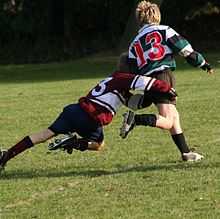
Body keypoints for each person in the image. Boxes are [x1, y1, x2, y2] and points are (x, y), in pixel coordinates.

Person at [0, 53, 177, 172]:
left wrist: (151, 97)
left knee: (44, 134)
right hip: (90, 117)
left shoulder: (113, 81)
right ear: (131, 69)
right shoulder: (123, 79)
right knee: (99, 144)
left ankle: (7, 154)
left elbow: (134, 103)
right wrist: (167, 89)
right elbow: (145, 82)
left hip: (73, 110)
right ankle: (75, 142)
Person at [120, 0, 213, 161]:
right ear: (157, 15)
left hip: (146, 80)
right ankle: (134, 119)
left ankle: (185, 153)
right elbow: (184, 49)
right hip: (163, 77)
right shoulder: (164, 30)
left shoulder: (134, 43)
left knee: (174, 116)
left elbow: (131, 68)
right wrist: (202, 63)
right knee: (169, 120)